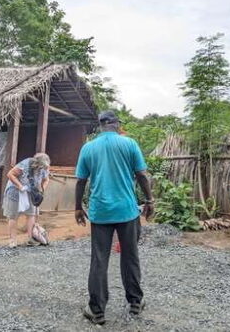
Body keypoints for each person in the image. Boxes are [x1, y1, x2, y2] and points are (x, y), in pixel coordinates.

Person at [74, 111, 154, 325]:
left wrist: (77, 208)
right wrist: (150, 200)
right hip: (127, 211)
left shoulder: (88, 147)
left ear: (100, 125)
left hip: (100, 212)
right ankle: (135, 302)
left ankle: (97, 310)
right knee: (130, 256)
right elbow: (142, 175)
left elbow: (81, 181)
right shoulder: (129, 144)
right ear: (116, 124)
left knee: (99, 259)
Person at [3, 153, 51, 247]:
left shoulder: (44, 168)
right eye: (41, 166)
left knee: (31, 214)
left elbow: (46, 179)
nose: (42, 169)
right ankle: (12, 240)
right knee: (13, 215)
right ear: (36, 163)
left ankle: (31, 238)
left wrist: (41, 190)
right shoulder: (24, 165)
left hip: (31, 191)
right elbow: (10, 174)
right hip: (15, 191)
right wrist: (20, 186)